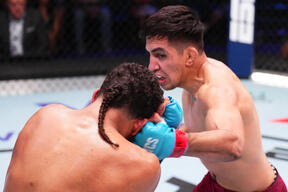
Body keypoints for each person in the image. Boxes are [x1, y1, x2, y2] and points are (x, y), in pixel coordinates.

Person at [134, 5, 287, 192]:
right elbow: (204, 132)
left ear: (190, 56)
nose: (152, 66)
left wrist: (171, 141)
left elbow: (233, 144)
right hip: (215, 184)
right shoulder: (190, 84)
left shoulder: (218, 88)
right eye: (150, 55)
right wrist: (169, 131)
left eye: (161, 55)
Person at [4, 62, 168, 192]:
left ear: (95, 95)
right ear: (139, 125)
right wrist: (157, 148)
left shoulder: (45, 115)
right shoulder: (143, 164)